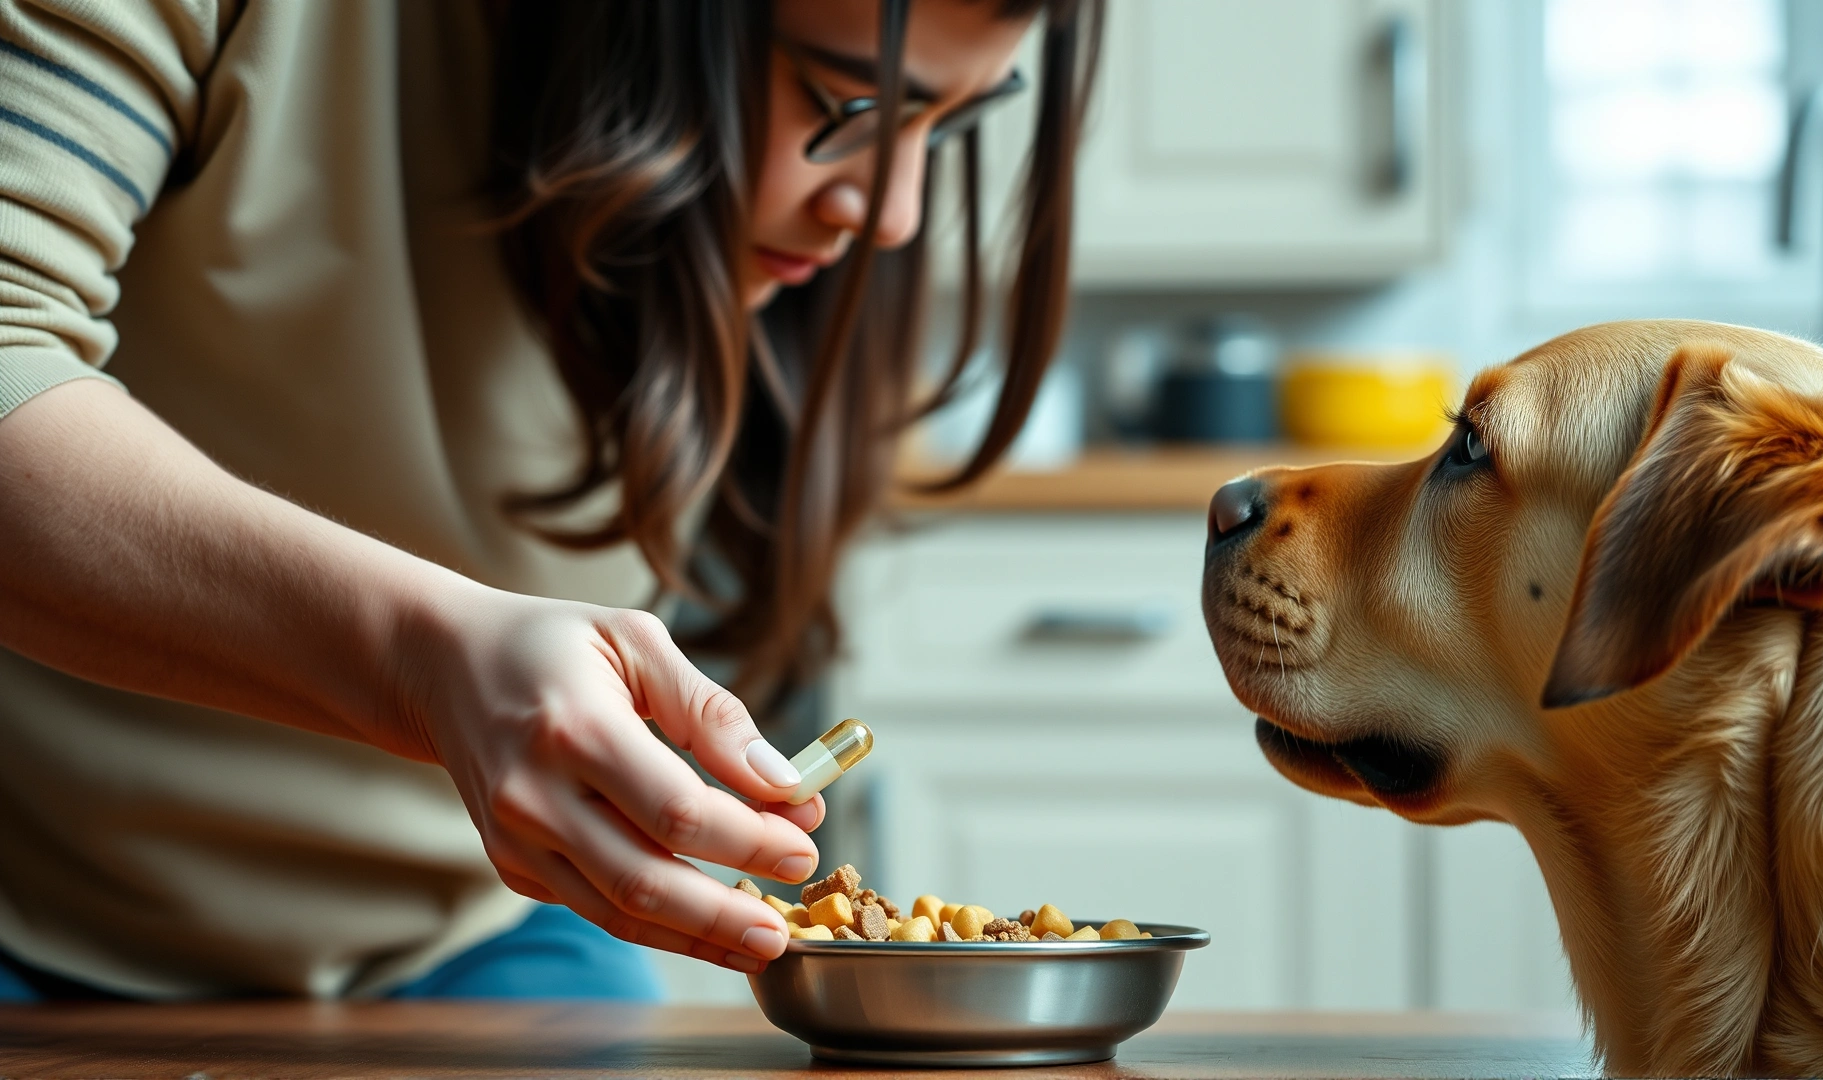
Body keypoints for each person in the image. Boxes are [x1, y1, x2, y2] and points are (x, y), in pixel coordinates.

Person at [0, 0, 1100, 1000]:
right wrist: (420, 659)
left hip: (494, 943)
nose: (891, 214)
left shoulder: (796, 248)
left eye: (949, 122)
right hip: (34, 918)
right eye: (844, 100)